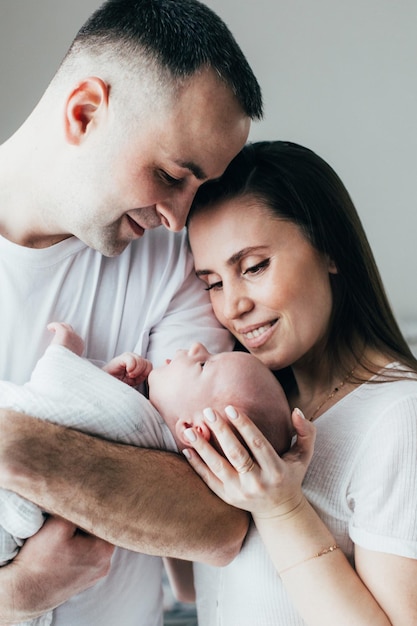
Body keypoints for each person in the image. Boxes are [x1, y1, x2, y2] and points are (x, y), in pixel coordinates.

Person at [0, 0, 263, 623]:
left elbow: (217, 522)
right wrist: (14, 597)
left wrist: (14, 444)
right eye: (173, 175)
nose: (178, 216)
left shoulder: (174, 264)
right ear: (85, 112)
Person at [182, 140, 417, 625]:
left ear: (330, 248)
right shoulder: (253, 404)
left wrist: (281, 509)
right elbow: (197, 589)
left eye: (253, 267)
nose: (232, 307)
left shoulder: (400, 418)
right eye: (213, 282)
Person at [0, 321, 292, 626]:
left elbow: (49, 396)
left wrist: (65, 352)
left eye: (205, 365)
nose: (196, 347)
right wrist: (100, 384)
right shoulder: (155, 456)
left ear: (194, 431)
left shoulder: (131, 414)